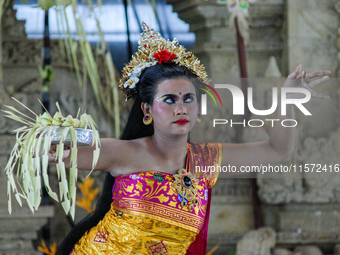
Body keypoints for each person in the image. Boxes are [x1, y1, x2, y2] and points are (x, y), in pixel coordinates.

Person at [54, 23, 330, 255]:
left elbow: (277, 148)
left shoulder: (207, 160)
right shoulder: (123, 152)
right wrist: (50, 137)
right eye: (169, 100)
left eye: (188, 99)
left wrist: (288, 99)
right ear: (147, 109)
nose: (181, 108)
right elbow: (53, 153)